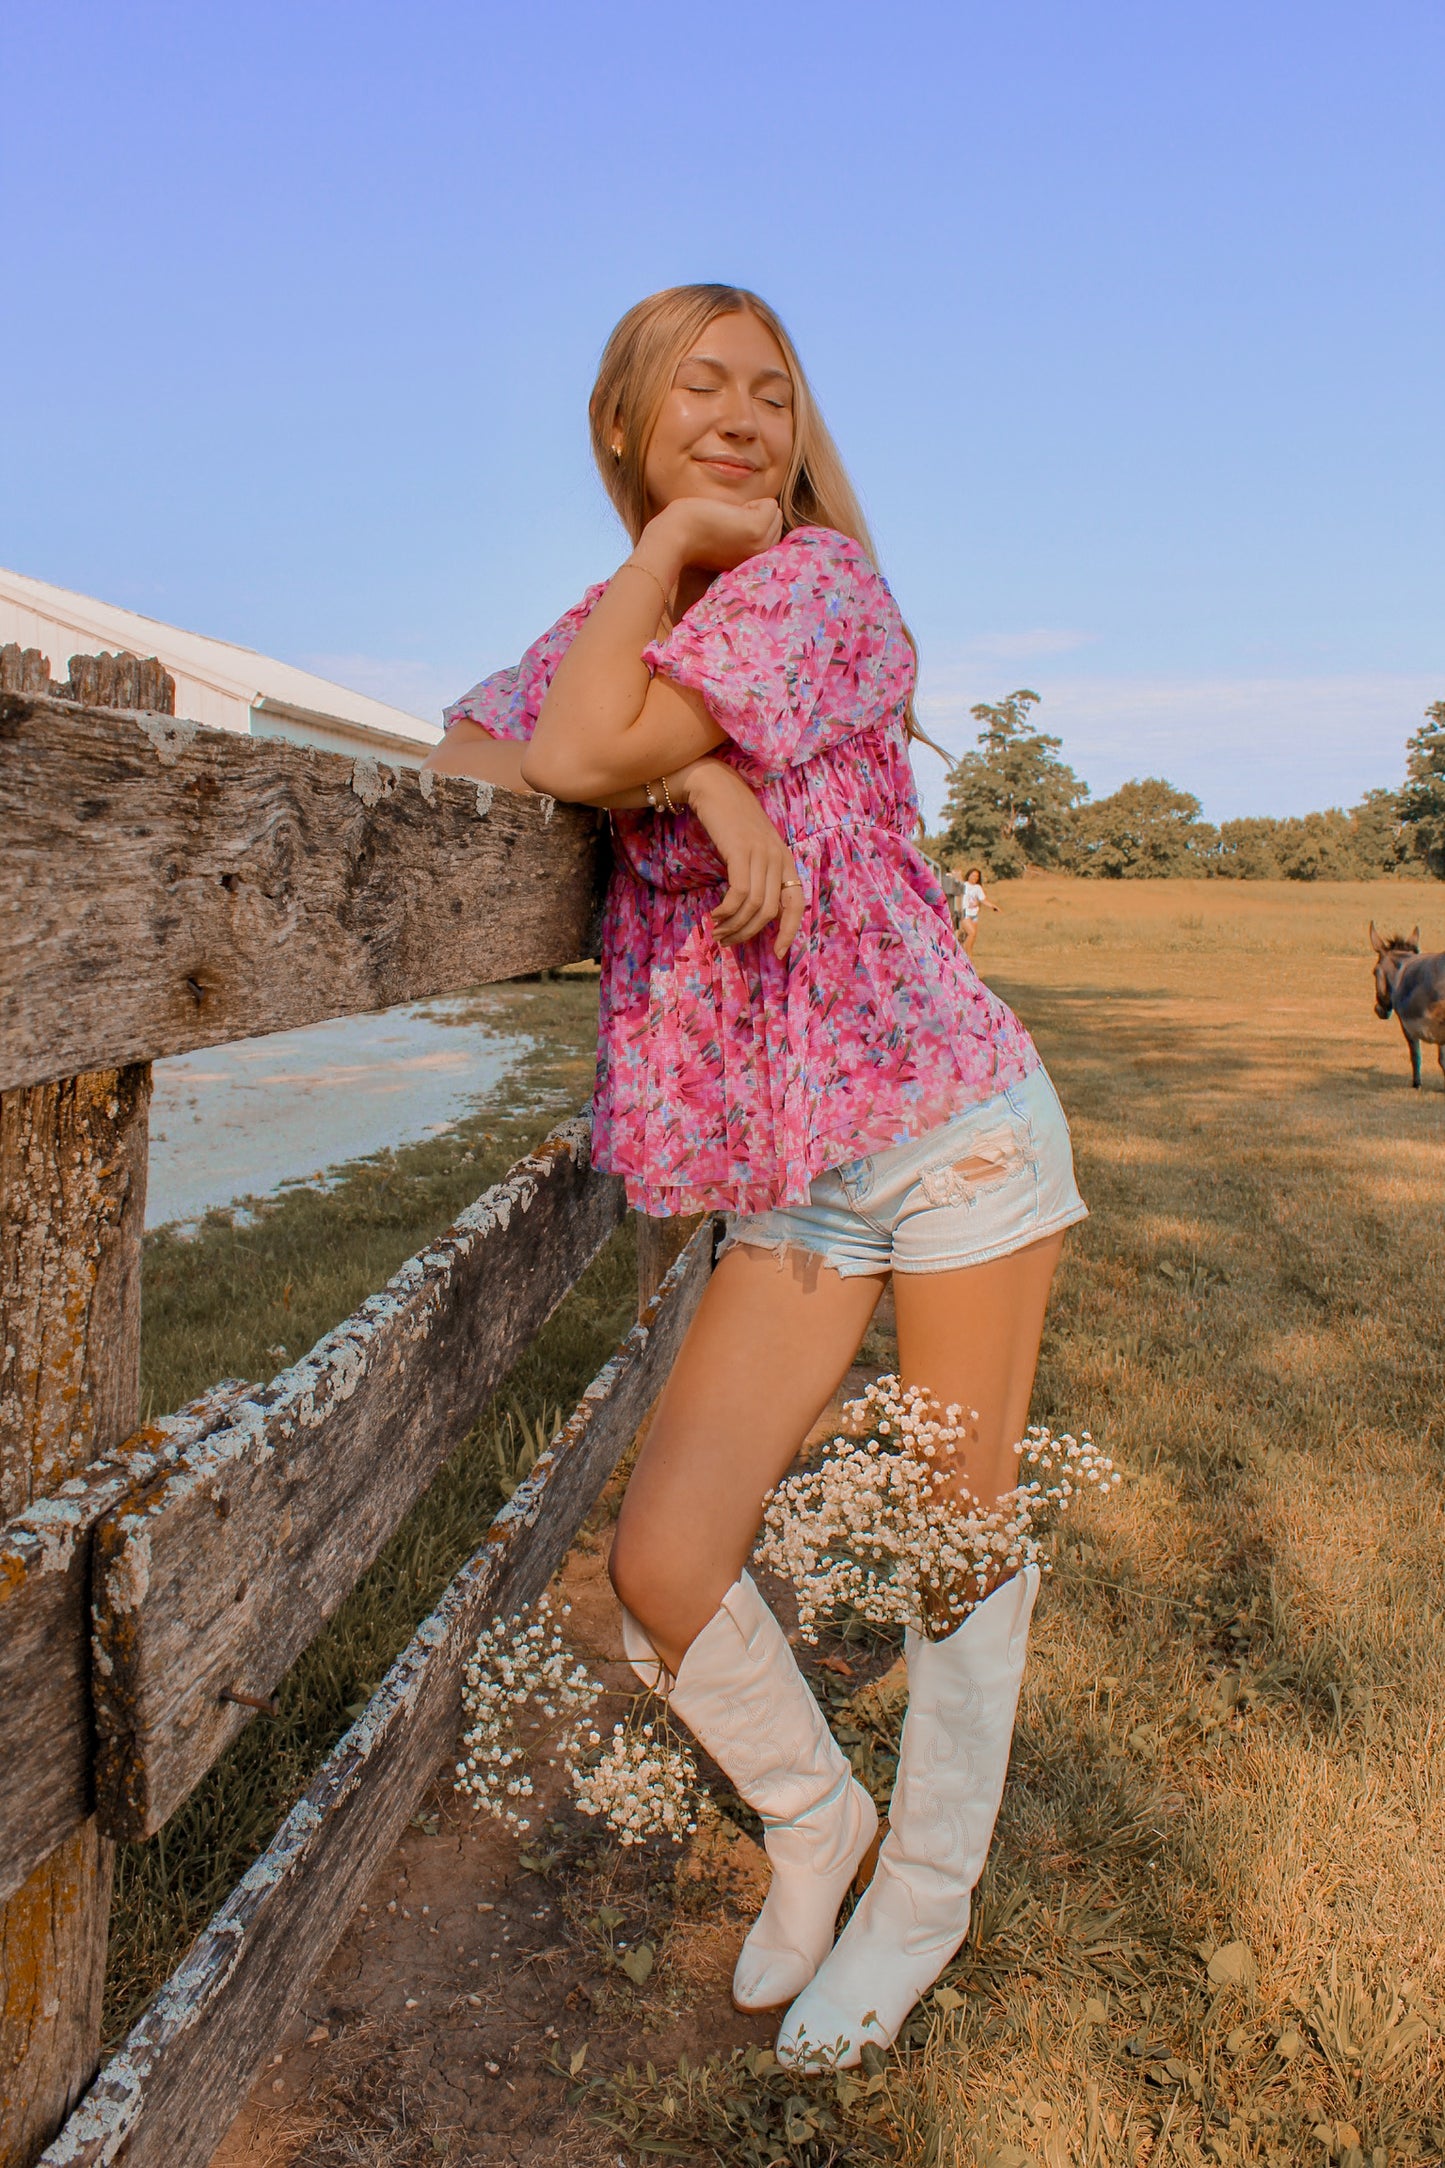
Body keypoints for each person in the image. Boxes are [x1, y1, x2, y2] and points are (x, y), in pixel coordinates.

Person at [423, 285, 1087, 2069]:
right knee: (663, 1559)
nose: (741, 414)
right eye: (698, 389)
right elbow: (468, 749)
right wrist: (708, 770)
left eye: (772, 392)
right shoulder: (628, 617)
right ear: (628, 429)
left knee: (956, 1527)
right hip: (794, 1174)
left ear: (800, 436)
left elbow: (571, 751)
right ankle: (818, 1816)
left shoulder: (820, 587)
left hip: (949, 1129)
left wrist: (668, 717)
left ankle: (926, 1890)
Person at [959, 864, 1001, 957]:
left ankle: (963, 955)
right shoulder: (963, 885)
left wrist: (993, 906)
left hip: (974, 914)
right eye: (973, 875)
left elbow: (983, 900)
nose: (975, 878)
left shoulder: (978, 888)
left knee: (971, 937)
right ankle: (968, 956)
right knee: (971, 933)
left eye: (977, 876)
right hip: (965, 913)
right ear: (969, 875)